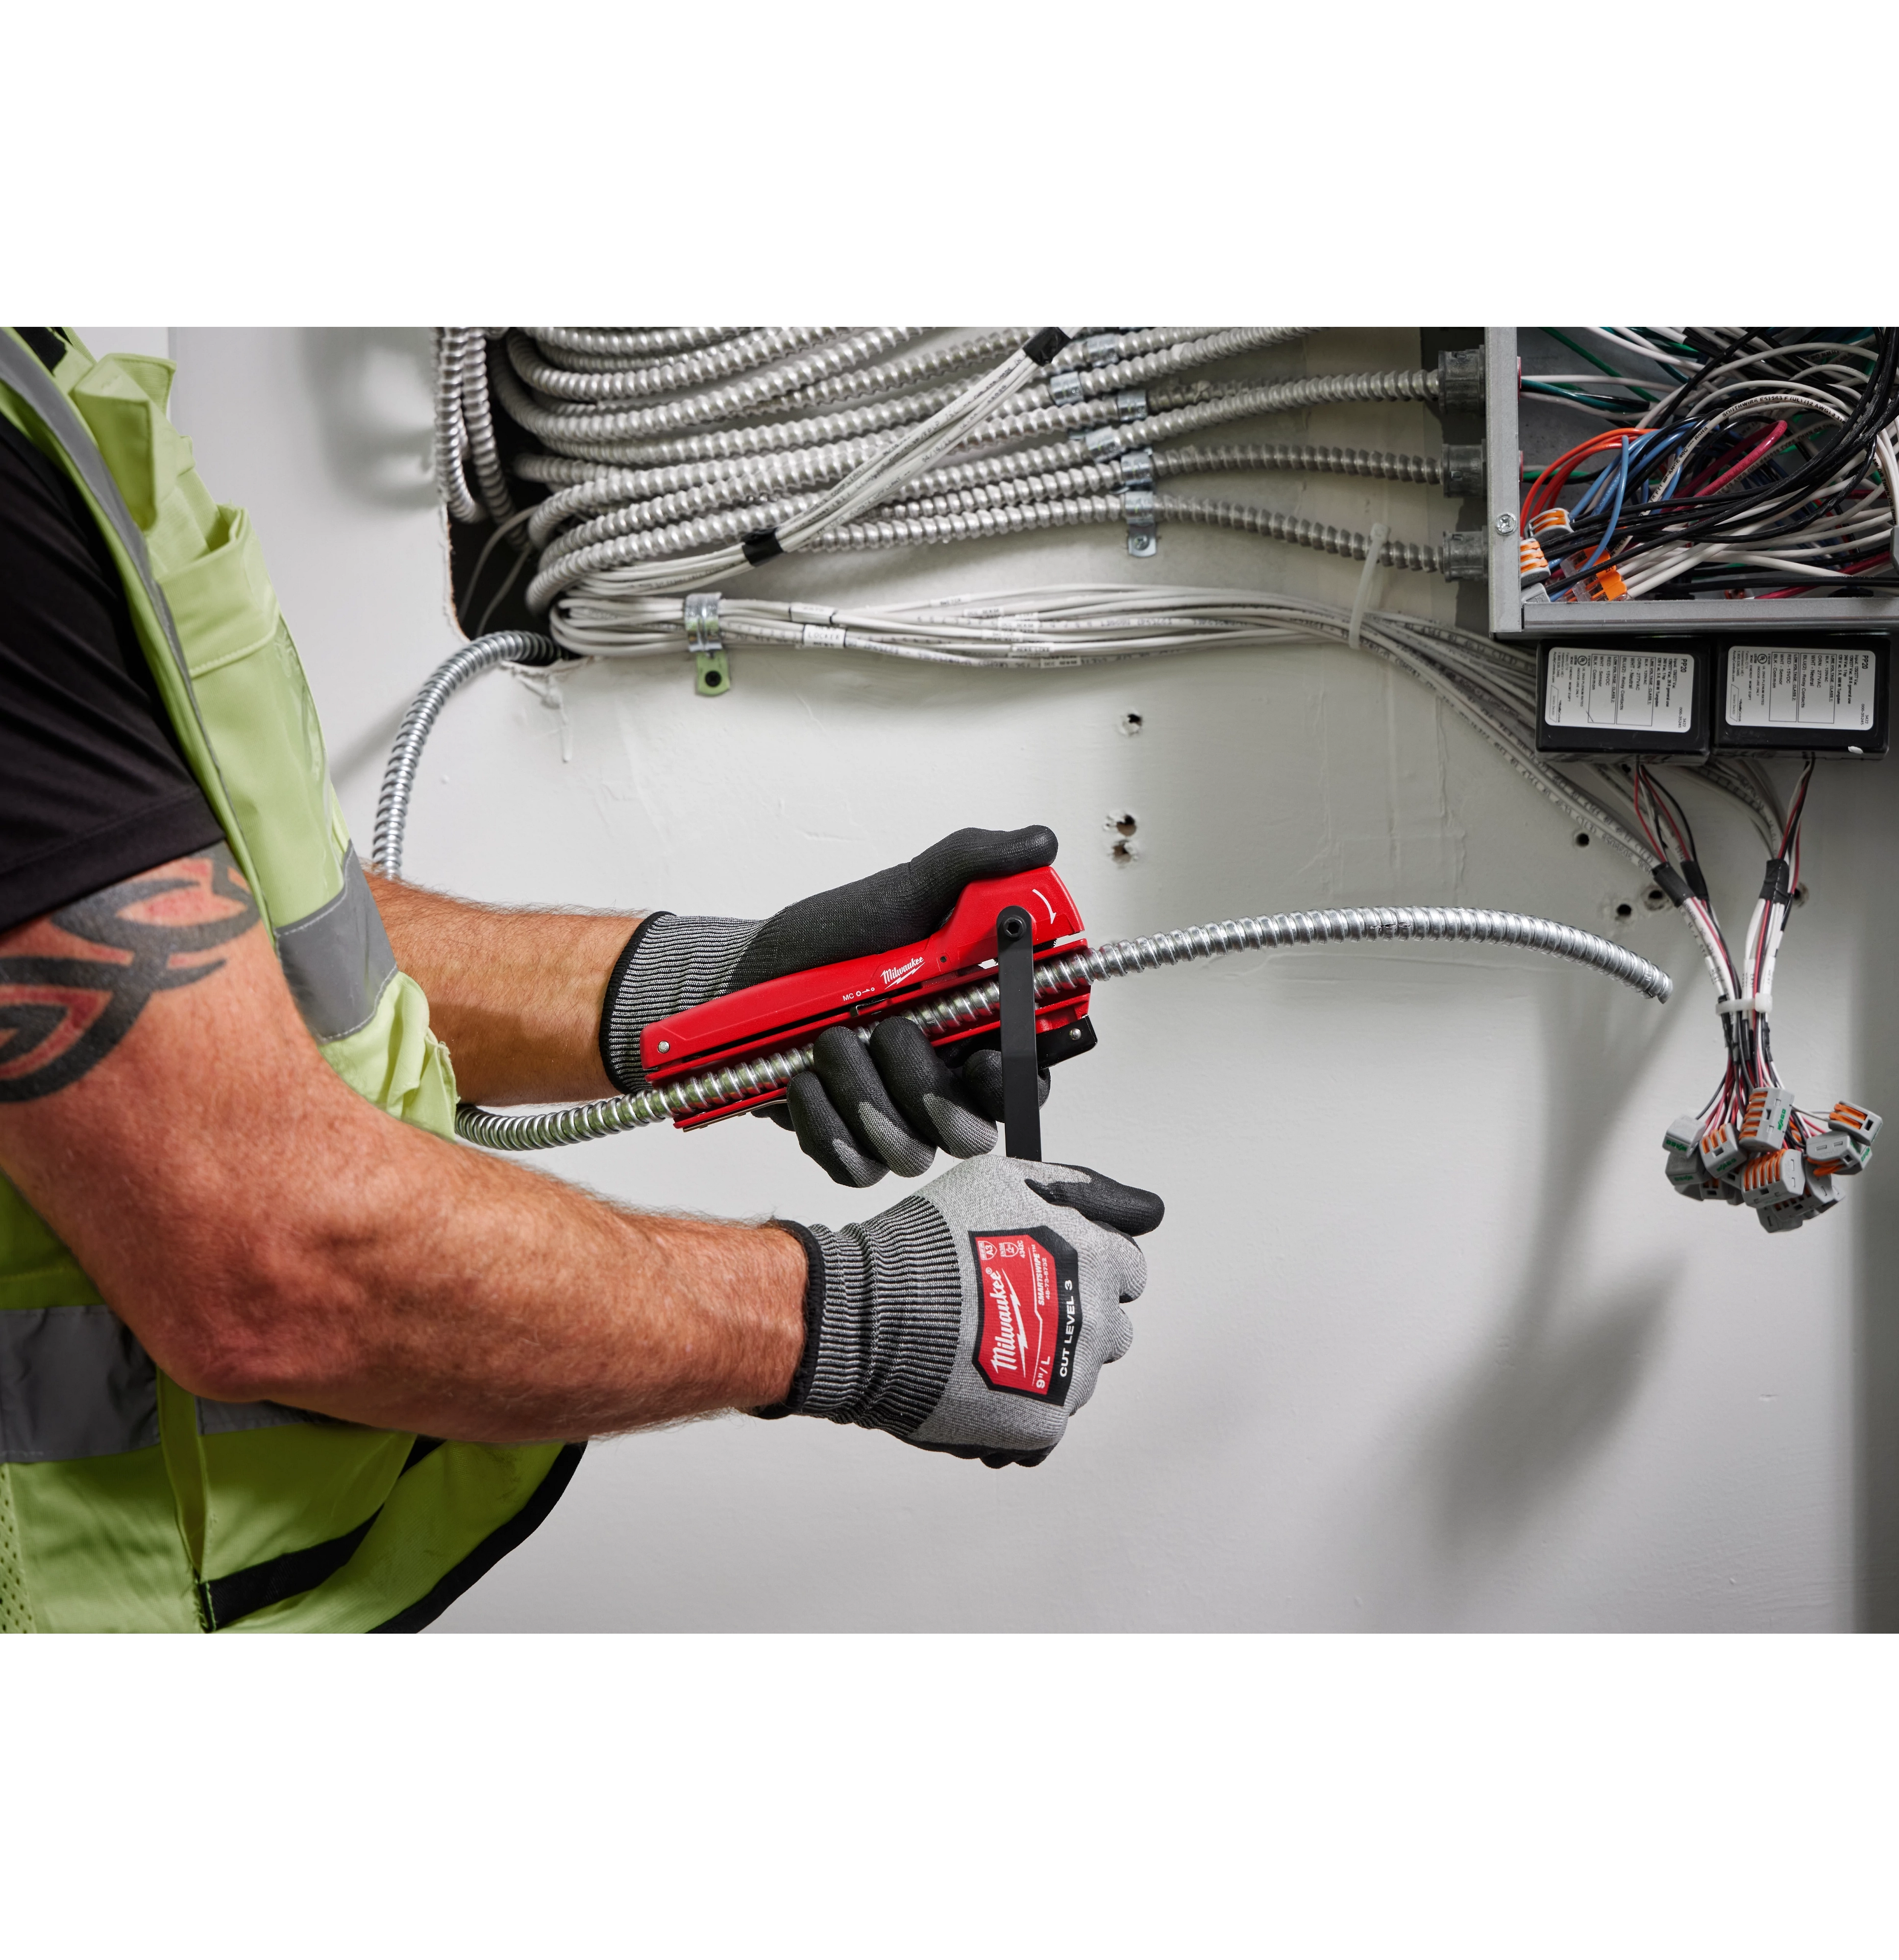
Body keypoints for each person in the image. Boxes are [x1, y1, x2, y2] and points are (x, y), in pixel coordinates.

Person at [0, 326, 1163, 1634]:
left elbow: (225, 935)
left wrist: (718, 989)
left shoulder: (47, 393)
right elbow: (272, 1263)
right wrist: (854, 1315)